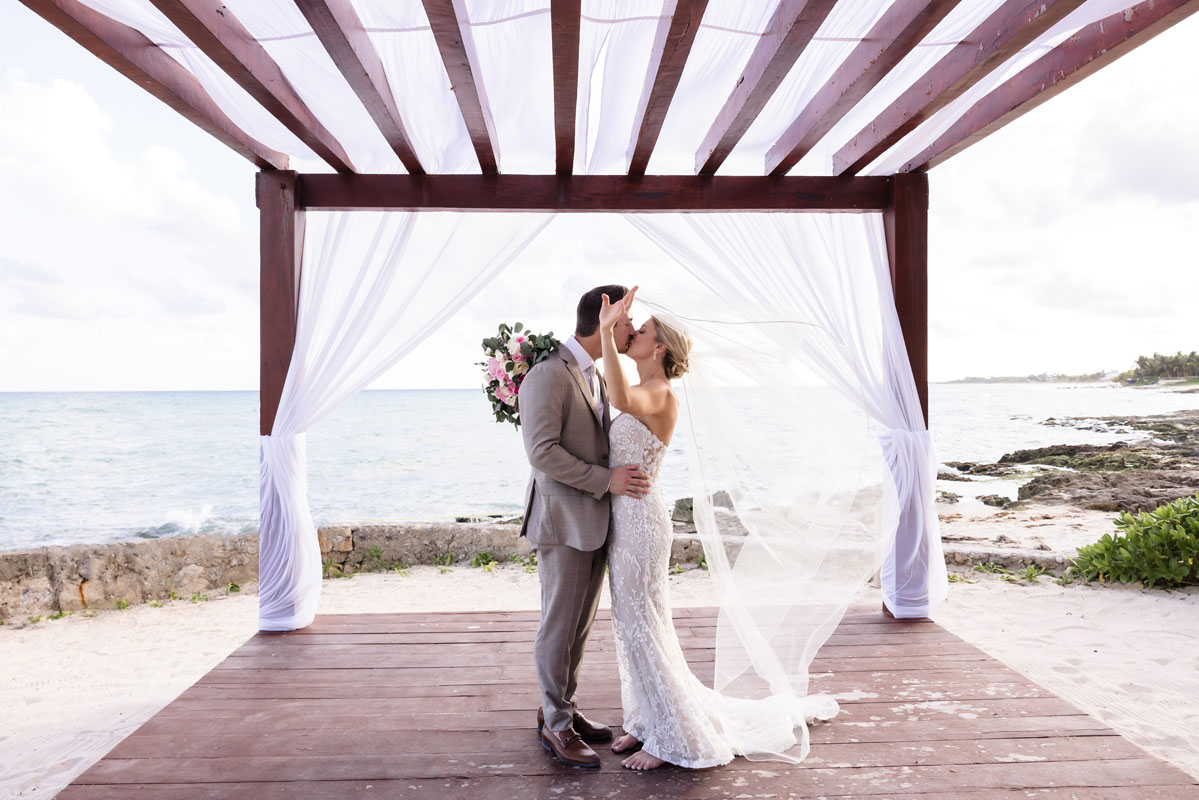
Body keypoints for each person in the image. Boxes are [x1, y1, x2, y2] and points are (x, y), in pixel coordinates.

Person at [598, 287, 810, 770]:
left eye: (642, 330)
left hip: (641, 524)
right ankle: (651, 721)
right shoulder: (648, 388)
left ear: (659, 349)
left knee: (642, 625)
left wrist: (609, 333)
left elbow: (619, 396)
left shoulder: (658, 393)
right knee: (635, 625)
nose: (635, 331)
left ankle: (673, 737)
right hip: (625, 519)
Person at [517, 284, 650, 769]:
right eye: (626, 319)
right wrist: (607, 480)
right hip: (563, 520)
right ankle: (556, 726)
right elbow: (542, 452)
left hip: (594, 520)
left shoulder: (593, 374)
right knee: (559, 626)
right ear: (604, 317)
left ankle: (562, 709)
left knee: (579, 628)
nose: (632, 328)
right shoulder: (548, 374)